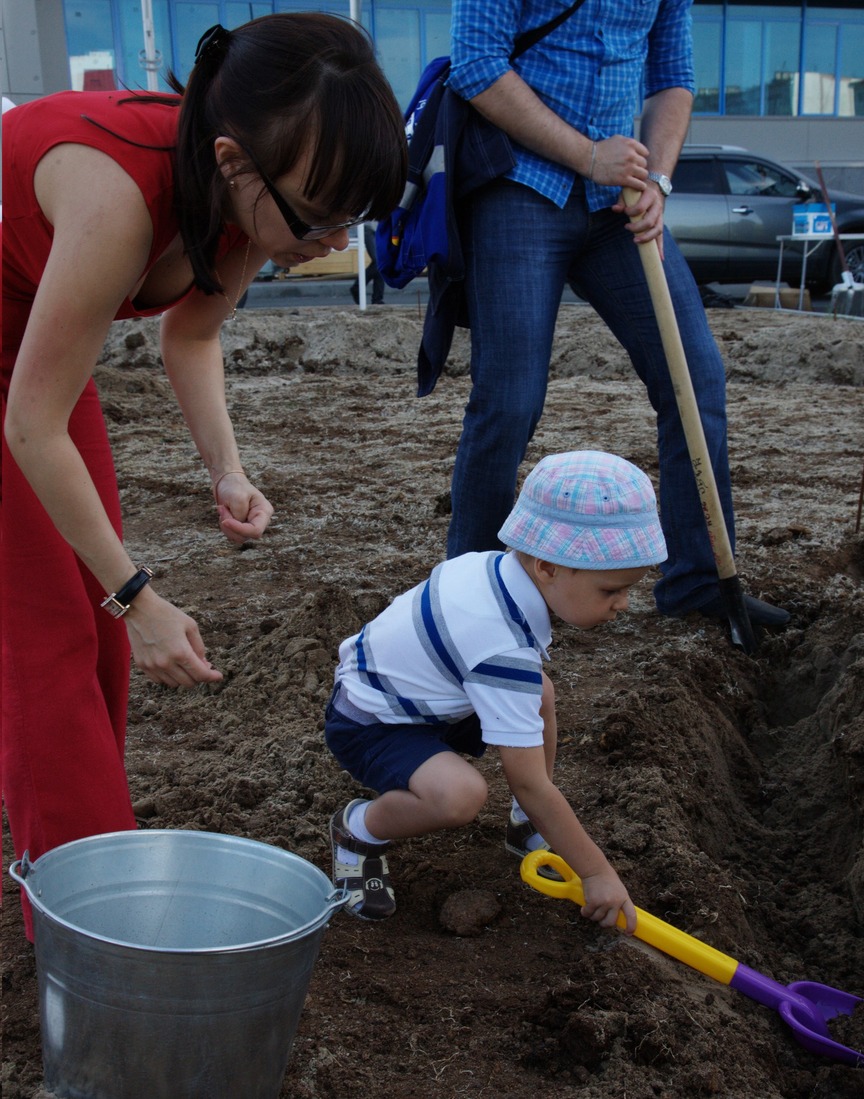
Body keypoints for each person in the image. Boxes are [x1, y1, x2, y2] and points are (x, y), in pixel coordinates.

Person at [1, 12, 407, 938]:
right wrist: (139, 594)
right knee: (55, 626)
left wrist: (227, 470)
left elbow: (194, 330)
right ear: (232, 161)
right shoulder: (120, 199)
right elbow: (30, 424)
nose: (331, 241)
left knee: (94, 626)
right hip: (19, 371)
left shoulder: (251, 188)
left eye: (354, 217)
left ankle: (60, 857)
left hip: (29, 344)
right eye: (318, 215)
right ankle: (86, 921)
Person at [444, 0, 790, 628]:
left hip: (620, 201)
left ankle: (699, 585)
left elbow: (671, 78)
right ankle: (469, 599)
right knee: (509, 398)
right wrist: (586, 155)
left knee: (696, 380)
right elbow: (476, 65)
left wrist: (656, 178)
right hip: (521, 185)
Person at [325, 449, 664, 927]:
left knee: (537, 692)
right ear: (547, 566)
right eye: (610, 590)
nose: (624, 605)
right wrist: (597, 872)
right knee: (459, 796)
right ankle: (359, 830)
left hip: (426, 696)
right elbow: (527, 779)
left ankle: (526, 824)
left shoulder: (495, 568)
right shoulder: (499, 648)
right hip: (373, 722)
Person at [350, 223, 386, 305]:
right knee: (378, 261)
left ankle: (377, 299)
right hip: (368, 228)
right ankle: (357, 287)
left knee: (381, 263)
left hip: (380, 229)